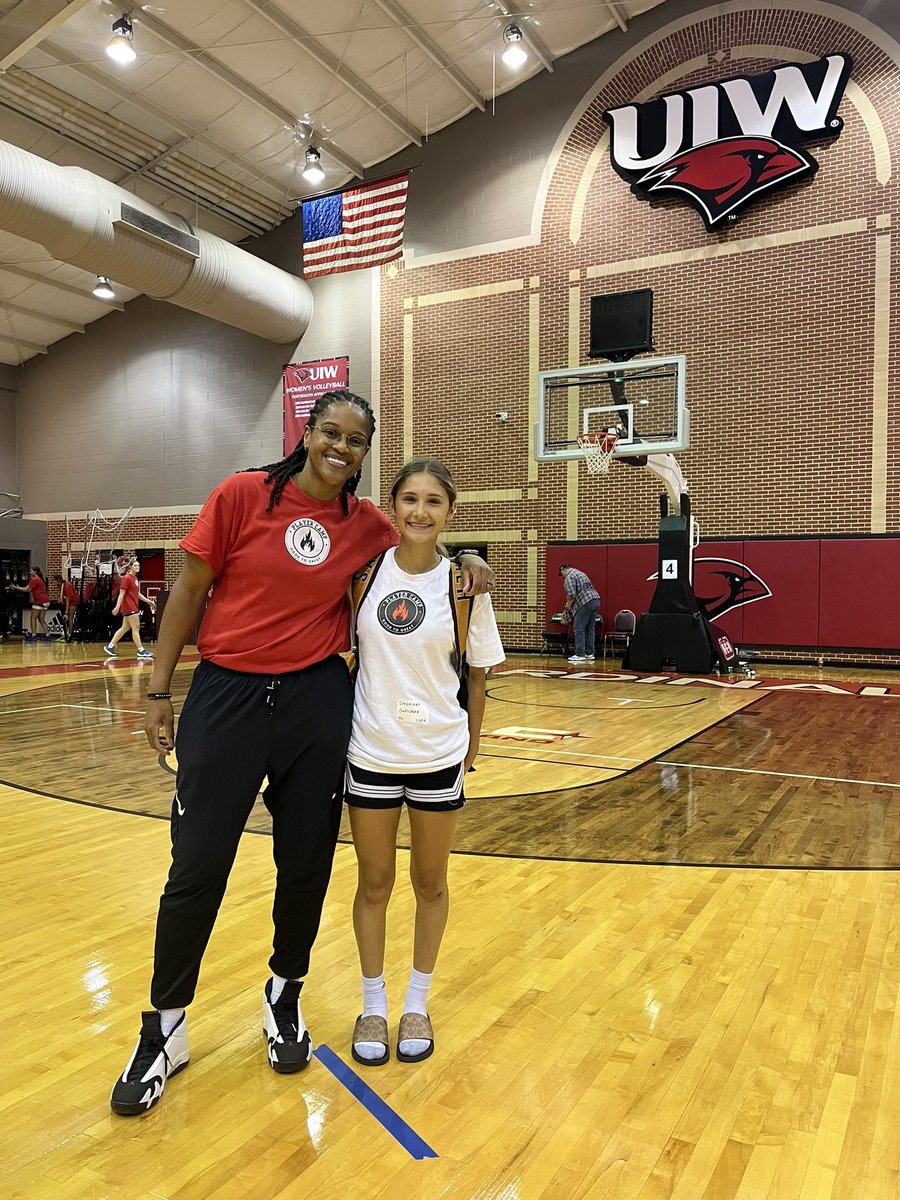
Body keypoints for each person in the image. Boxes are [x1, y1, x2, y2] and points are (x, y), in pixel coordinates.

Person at [109, 390, 493, 1117]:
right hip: (226, 696)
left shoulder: (367, 523)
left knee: (307, 863)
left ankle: (285, 995)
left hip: (316, 703)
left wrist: (470, 557)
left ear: (364, 454)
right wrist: (157, 691)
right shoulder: (241, 495)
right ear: (307, 433)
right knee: (196, 865)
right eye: (330, 433)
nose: (341, 448)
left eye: (356, 441)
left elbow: (426, 543)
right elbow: (190, 589)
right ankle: (164, 1028)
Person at [346, 459, 505, 1067]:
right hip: (372, 750)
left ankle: (417, 999)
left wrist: (472, 746)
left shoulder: (466, 586)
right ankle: (373, 1004)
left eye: (433, 502)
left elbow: (479, 674)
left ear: (450, 514)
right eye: (409, 499)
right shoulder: (363, 576)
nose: (420, 512)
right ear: (392, 507)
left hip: (438, 752)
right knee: (374, 883)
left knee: (430, 882)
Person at [104, 559, 156, 659]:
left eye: (138, 566)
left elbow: (136, 593)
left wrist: (148, 601)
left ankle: (110, 646)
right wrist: (117, 607)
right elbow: (121, 594)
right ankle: (141, 650)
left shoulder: (135, 578)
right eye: (135, 565)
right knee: (136, 628)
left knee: (125, 628)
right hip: (129, 607)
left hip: (133, 606)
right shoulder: (127, 578)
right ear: (131, 566)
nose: (137, 567)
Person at [559, 563, 601, 664]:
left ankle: (579, 654)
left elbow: (572, 594)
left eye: (562, 574)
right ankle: (590, 653)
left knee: (578, 628)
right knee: (590, 628)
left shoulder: (570, 577)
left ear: (563, 570)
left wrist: (567, 606)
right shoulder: (581, 573)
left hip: (585, 602)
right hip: (595, 600)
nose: (563, 576)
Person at [7, 566, 51, 640]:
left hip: (39, 601)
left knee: (33, 619)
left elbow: (25, 589)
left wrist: (15, 587)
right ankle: (48, 635)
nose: (30, 572)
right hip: (46, 601)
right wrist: (17, 587)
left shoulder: (35, 579)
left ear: (35, 572)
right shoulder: (40, 579)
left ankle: (33, 636)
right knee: (41, 619)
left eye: (31, 571)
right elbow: (29, 590)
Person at [54, 573, 78, 639]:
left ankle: (70, 634)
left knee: (70, 617)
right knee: (64, 618)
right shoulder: (60, 585)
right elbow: (60, 595)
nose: (54, 582)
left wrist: (66, 612)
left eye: (55, 581)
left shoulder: (67, 586)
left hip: (73, 601)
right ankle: (65, 633)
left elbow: (68, 599)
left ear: (58, 580)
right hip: (66, 601)